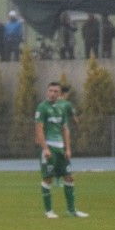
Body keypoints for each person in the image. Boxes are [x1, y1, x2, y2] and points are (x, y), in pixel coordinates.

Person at [34, 81, 88, 219]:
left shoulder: (61, 108)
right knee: (48, 178)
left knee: (69, 177)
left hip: (60, 148)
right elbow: (38, 129)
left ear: (60, 94)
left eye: (55, 91)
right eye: (50, 91)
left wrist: (68, 149)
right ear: (47, 92)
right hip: (49, 147)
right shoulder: (42, 107)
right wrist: (45, 148)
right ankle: (49, 211)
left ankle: (72, 211)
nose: (52, 93)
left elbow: (65, 129)